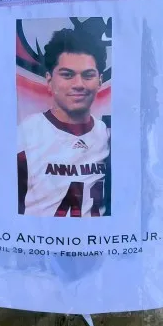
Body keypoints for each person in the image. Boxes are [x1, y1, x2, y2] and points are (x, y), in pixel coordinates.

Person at [17, 27, 111, 217]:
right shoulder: (25, 134)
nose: (78, 84)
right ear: (49, 81)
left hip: (94, 245)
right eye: (67, 74)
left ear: (100, 81)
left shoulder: (108, 136)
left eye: (88, 75)